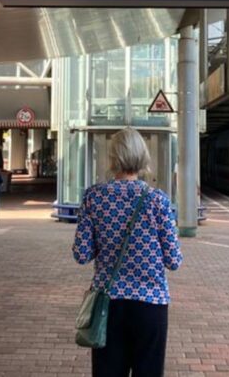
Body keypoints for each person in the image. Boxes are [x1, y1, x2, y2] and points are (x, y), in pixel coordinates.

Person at [73, 128, 183, 377]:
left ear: (112, 158)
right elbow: (174, 260)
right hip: (151, 304)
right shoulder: (158, 200)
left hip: (107, 304)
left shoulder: (94, 197)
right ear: (142, 158)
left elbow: (81, 254)